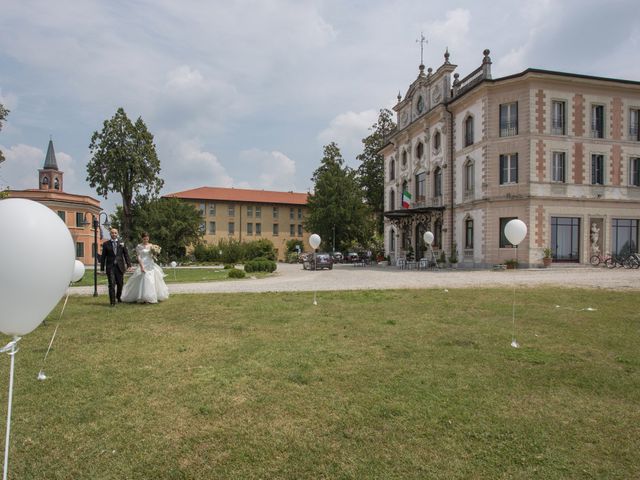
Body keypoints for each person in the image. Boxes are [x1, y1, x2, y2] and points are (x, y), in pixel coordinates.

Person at [121, 232, 169, 304]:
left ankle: (151, 297)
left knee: (152, 280)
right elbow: (139, 257)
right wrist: (141, 266)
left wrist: (156, 253)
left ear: (148, 238)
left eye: (147, 239)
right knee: (145, 279)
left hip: (150, 264)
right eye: (144, 239)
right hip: (143, 263)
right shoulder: (139, 246)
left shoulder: (152, 245)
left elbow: (153, 255)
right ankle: (144, 298)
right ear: (142, 238)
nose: (146, 240)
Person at [100, 228, 132, 306]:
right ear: (110, 234)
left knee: (120, 284)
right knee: (111, 284)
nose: (113, 234)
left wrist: (129, 265)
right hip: (110, 267)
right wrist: (102, 268)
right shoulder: (106, 244)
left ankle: (118, 297)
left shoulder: (122, 243)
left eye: (115, 233)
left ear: (117, 234)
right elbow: (103, 257)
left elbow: (126, 254)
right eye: (112, 233)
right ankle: (112, 302)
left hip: (120, 267)